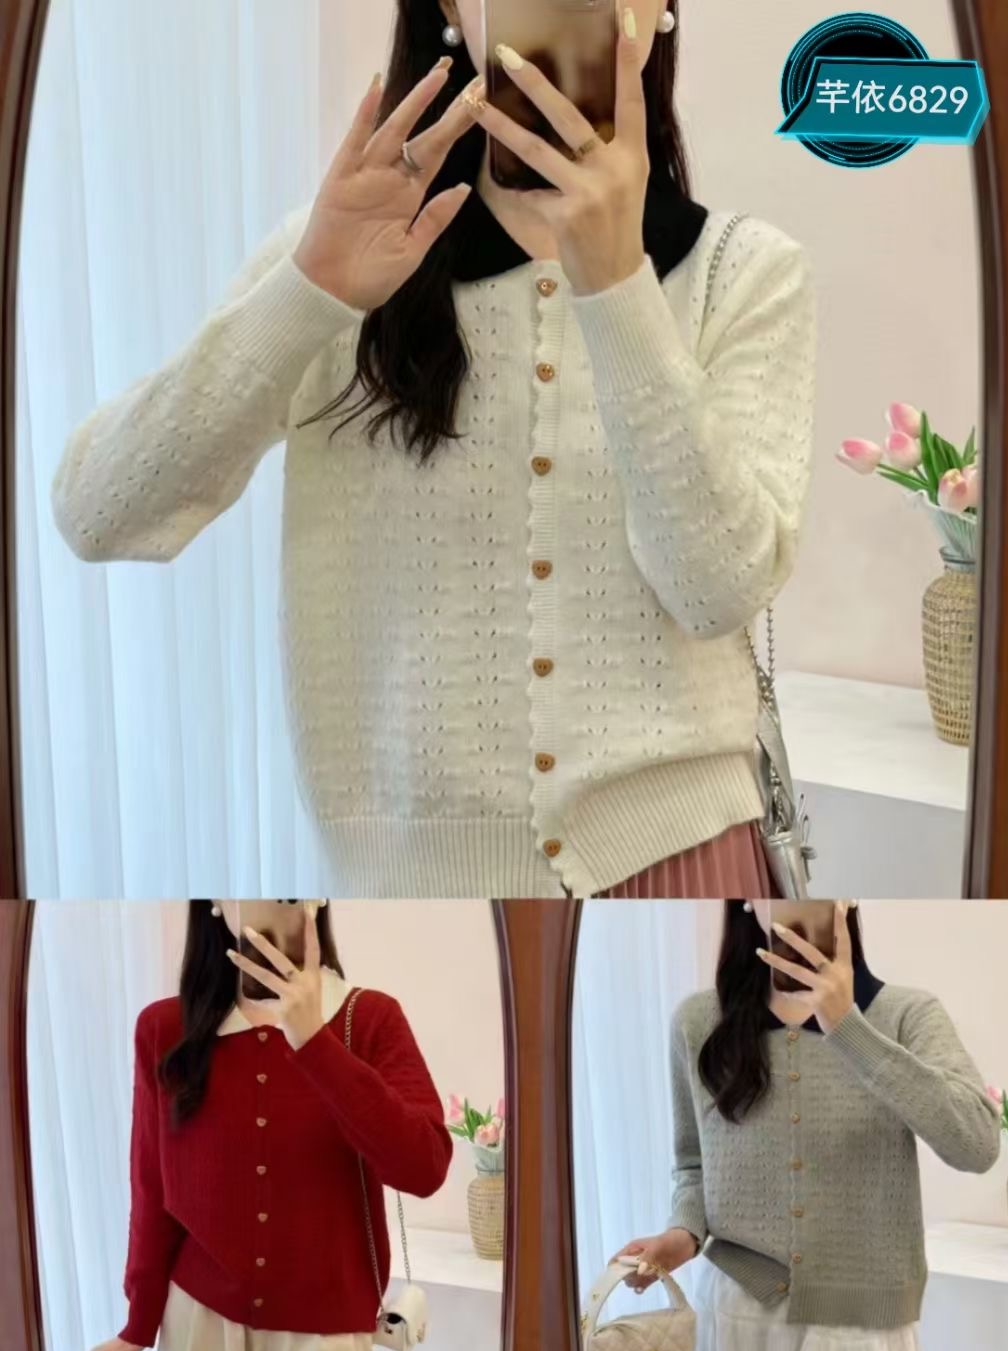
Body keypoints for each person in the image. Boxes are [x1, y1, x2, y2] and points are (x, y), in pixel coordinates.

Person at [52, 1, 816, 899]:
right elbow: (99, 511)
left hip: (687, 861)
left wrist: (618, 288)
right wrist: (308, 292)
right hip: (419, 889)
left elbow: (716, 588)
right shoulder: (345, 251)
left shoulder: (743, 273)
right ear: (455, 8)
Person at [617, 899, 1000, 1351]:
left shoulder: (907, 1015)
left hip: (859, 1332)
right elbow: (694, 1163)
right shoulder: (699, 1022)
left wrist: (849, 1029)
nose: (797, 890)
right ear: (747, 898)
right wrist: (682, 1234)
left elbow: (977, 1144)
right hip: (738, 1323)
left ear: (850, 900)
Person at [73, 900, 451, 1351]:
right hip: (200, 1320)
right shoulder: (164, 1028)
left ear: (319, 897)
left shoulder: (368, 1019)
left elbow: (424, 1167)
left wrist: (314, 1042)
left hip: (329, 1323)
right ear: (214, 902)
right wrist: (139, 1322)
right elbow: (152, 1188)